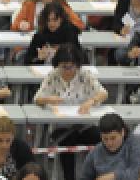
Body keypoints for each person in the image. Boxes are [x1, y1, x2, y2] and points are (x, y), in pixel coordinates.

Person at [34, 44, 106, 180]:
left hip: (84, 125)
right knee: (67, 144)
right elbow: (37, 99)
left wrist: (91, 101)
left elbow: (103, 93)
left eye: (71, 66)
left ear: (77, 64)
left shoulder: (85, 75)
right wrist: (48, 99)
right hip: (62, 127)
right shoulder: (53, 76)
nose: (67, 70)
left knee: (101, 138)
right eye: (63, 66)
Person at [77, 113, 140, 180]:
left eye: (113, 138)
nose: (109, 143)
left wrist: (113, 176)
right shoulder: (96, 151)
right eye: (105, 139)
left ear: (122, 132)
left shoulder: (137, 143)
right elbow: (85, 177)